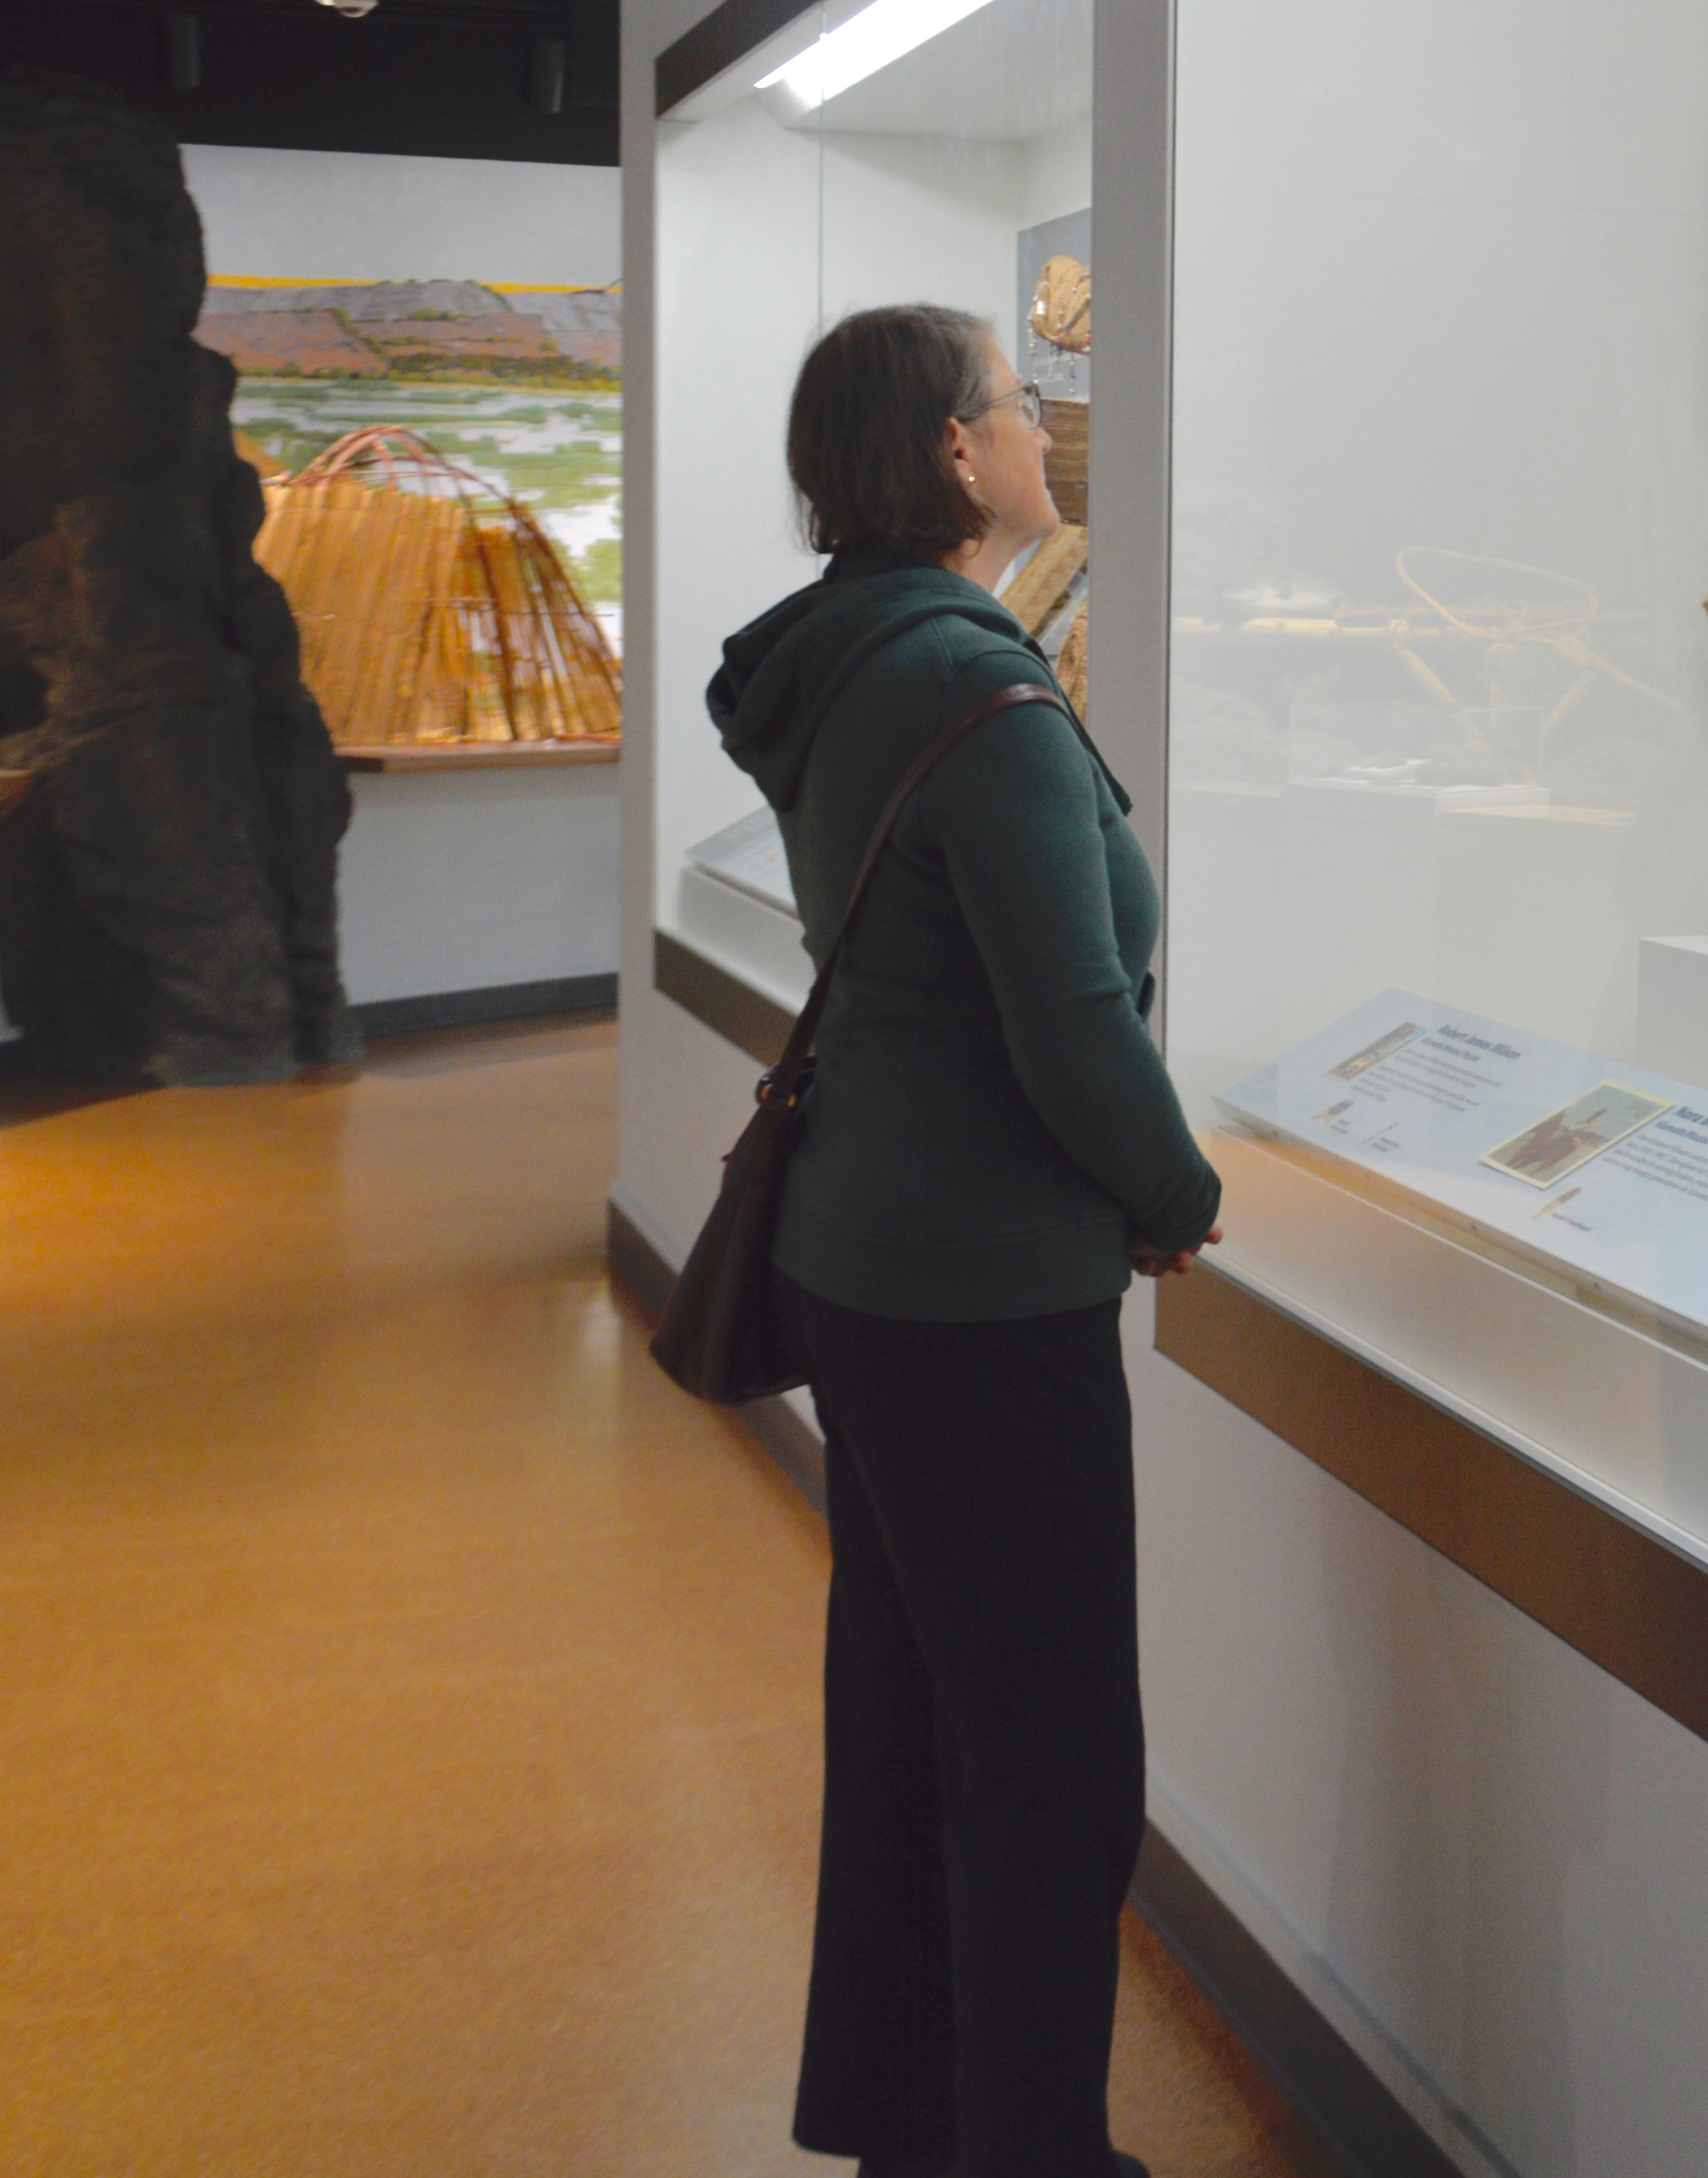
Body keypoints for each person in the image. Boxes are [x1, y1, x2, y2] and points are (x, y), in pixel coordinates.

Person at [710, 301, 1224, 2178]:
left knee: (914, 1708)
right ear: (950, 451)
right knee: (1050, 1764)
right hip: (985, 1294)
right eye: (1018, 405)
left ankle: (915, 2126)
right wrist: (1173, 1196)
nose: (1039, 432)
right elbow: (1070, 1019)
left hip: (864, 1259)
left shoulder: (841, 653)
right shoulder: (973, 688)